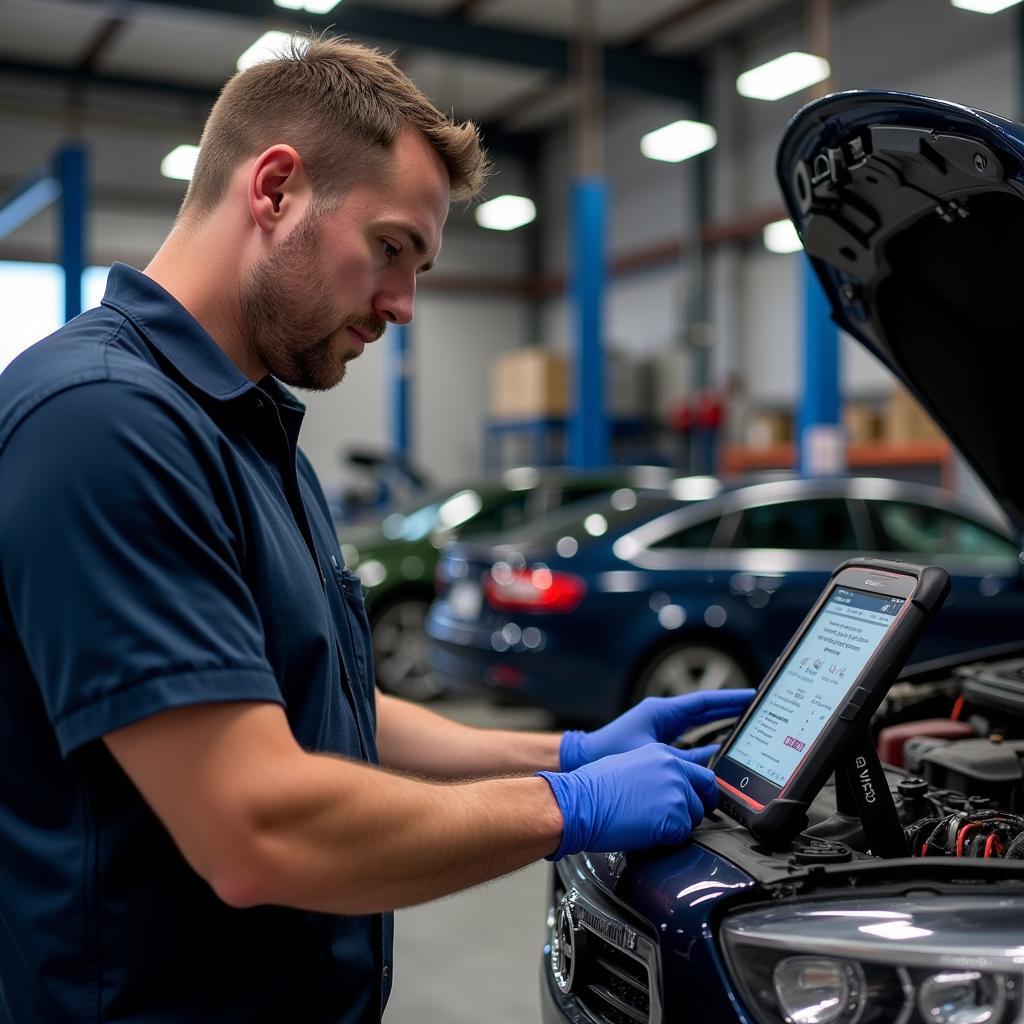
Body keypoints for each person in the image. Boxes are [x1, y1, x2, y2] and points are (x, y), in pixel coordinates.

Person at [0, 36, 754, 1023]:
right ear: (274, 190)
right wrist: (566, 812)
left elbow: (327, 700)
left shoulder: (247, 431)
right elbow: (256, 828)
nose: (402, 304)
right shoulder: (103, 424)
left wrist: (563, 751)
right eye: (392, 247)